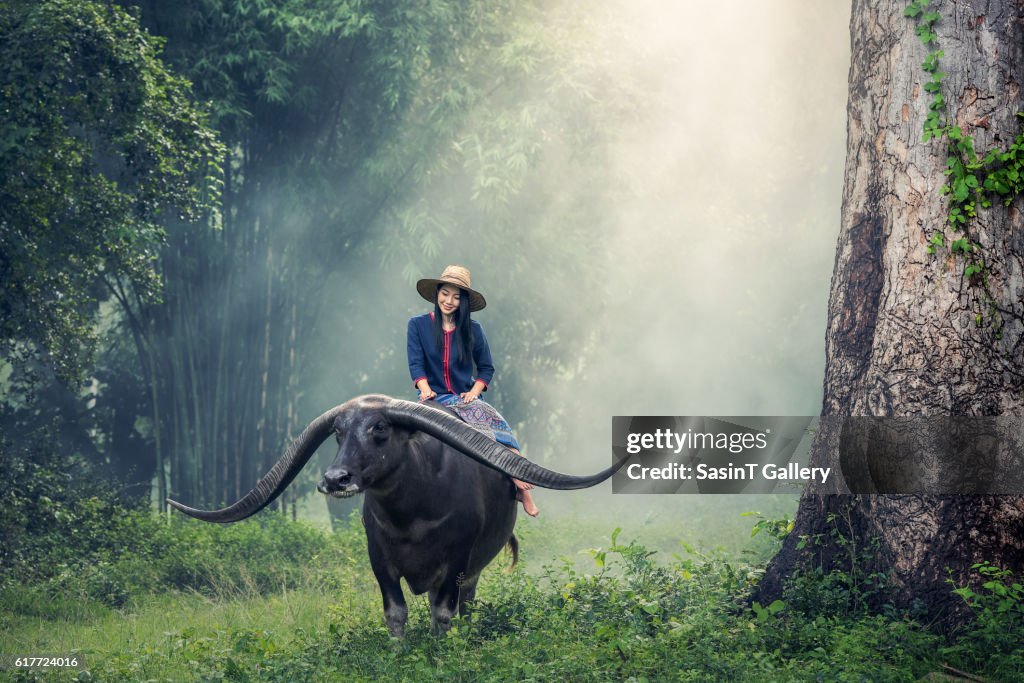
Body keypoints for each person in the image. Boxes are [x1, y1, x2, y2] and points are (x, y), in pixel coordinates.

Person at [407, 265, 539, 517]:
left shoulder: (474, 330)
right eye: (445, 293)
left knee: (494, 424)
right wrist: (424, 389)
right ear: (437, 293)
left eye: (457, 297)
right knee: (396, 436)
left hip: (463, 399)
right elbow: (416, 364)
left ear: (464, 301)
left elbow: (486, 368)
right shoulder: (417, 325)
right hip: (430, 397)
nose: (449, 301)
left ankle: (520, 483)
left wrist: (475, 392)